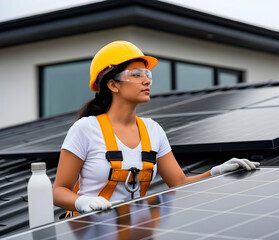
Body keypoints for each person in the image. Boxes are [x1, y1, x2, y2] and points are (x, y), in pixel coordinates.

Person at [53, 41, 259, 214]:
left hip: (134, 231)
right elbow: (58, 191)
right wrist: (83, 202)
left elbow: (179, 183)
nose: (146, 81)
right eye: (136, 75)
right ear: (113, 84)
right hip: (91, 231)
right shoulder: (85, 129)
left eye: (147, 74)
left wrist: (216, 172)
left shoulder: (153, 130)